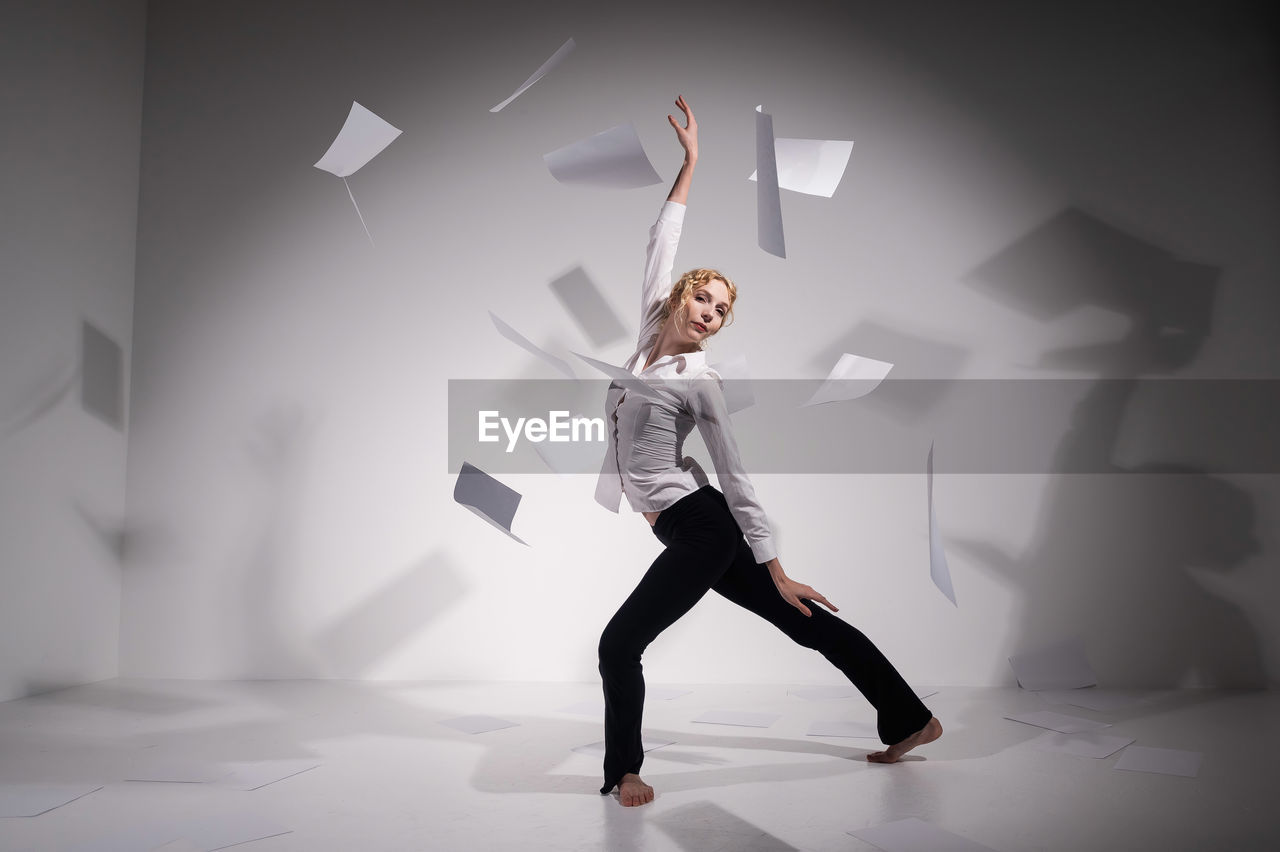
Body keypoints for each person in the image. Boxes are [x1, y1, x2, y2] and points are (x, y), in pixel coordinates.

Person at [595, 95, 942, 807]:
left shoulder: (702, 380)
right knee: (806, 627)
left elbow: (735, 478)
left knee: (617, 645)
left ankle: (625, 770)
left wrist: (773, 566)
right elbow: (661, 238)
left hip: (703, 526)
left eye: (722, 311)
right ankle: (912, 717)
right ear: (682, 297)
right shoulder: (644, 347)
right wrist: (691, 165)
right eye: (706, 299)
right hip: (694, 527)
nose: (712, 314)